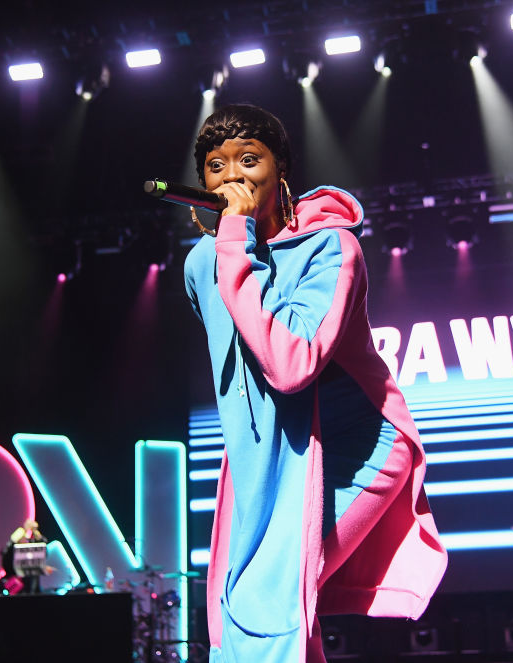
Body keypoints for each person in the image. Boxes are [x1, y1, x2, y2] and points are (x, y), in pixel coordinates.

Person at [183, 104, 448, 662]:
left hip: (356, 448)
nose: (231, 176)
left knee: (267, 598)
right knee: (242, 608)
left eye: (248, 159)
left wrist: (236, 245)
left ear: (280, 171)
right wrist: (231, 247)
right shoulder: (202, 263)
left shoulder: (331, 248)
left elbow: (290, 364)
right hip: (271, 456)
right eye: (215, 165)